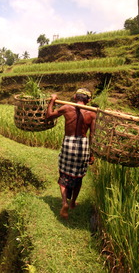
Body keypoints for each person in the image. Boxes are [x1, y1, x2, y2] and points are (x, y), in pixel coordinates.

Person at [46, 88, 96, 219]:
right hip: (83, 145)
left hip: (68, 143)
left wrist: (52, 100)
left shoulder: (66, 108)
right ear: (89, 100)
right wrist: (91, 153)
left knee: (64, 174)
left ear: (74, 97)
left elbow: (49, 115)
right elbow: (93, 136)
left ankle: (64, 203)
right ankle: (73, 202)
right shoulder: (92, 113)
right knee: (78, 176)